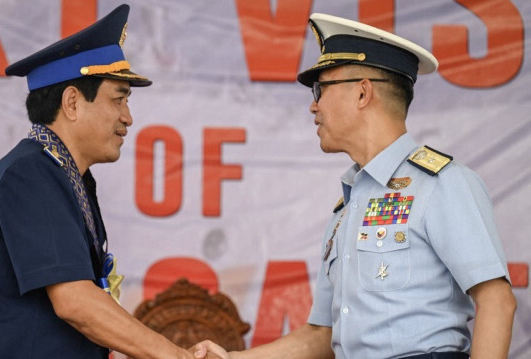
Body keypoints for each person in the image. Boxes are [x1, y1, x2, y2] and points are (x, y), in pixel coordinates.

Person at [193, 13, 516, 359]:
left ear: (363, 92)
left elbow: (497, 300)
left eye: (321, 88)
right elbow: (321, 335)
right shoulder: (347, 207)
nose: (313, 106)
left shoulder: (442, 184)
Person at [0, 4, 199, 358]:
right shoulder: (31, 174)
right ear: (72, 102)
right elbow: (75, 302)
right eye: (118, 99)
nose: (128, 118)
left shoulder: (66, 176)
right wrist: (175, 356)